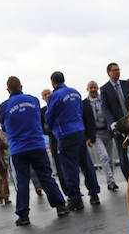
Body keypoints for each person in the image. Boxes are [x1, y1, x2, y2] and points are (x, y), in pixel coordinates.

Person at [0, 76, 70, 225]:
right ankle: (60, 206)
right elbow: (37, 118)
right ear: (21, 86)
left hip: (18, 149)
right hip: (37, 145)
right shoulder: (33, 100)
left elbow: (4, 127)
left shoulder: (3, 106)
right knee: (46, 176)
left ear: (8, 90)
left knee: (22, 181)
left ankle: (23, 215)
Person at [46, 71, 102, 207]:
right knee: (86, 164)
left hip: (65, 134)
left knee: (69, 167)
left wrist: (51, 128)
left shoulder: (55, 96)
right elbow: (80, 110)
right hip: (79, 131)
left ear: (53, 83)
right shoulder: (76, 92)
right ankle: (94, 194)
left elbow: (49, 116)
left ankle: (76, 198)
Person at [100, 62, 129, 180]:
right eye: (115, 70)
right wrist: (112, 123)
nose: (117, 72)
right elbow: (105, 108)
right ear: (109, 73)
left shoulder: (127, 84)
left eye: (118, 69)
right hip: (118, 126)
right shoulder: (104, 89)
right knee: (123, 156)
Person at [84, 80, 119, 191]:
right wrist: (87, 137)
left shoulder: (104, 100)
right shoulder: (84, 103)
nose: (93, 89)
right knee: (104, 157)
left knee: (110, 158)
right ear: (87, 89)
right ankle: (111, 180)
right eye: (91, 88)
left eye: (95, 87)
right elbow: (83, 120)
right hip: (96, 134)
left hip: (107, 132)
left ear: (97, 88)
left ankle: (111, 179)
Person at [40, 88, 65, 188]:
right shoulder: (42, 111)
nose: (48, 96)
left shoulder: (59, 106)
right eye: (45, 95)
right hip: (53, 140)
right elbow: (42, 128)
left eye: (49, 94)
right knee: (59, 166)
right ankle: (66, 190)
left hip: (64, 137)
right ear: (43, 98)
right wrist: (53, 131)